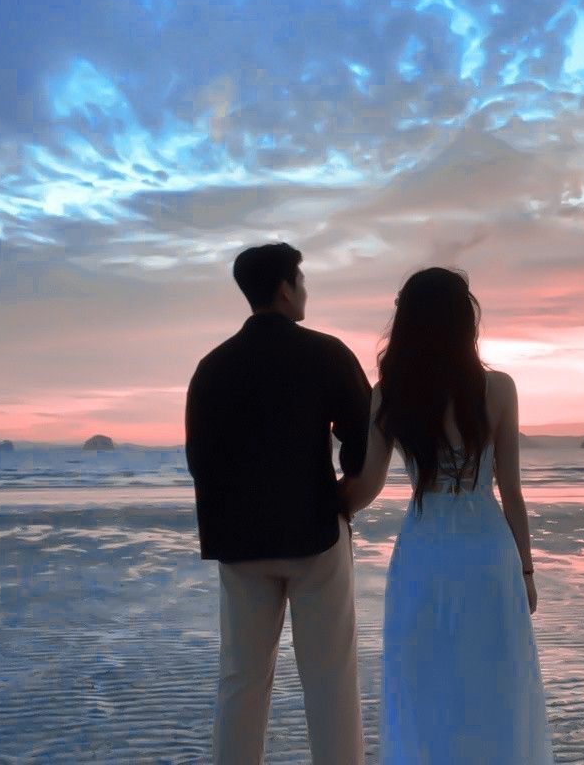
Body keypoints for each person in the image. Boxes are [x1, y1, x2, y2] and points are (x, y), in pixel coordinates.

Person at [337, 267, 554, 764]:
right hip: (487, 554)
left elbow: (366, 487)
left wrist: (314, 508)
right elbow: (512, 491)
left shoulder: (388, 393)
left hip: (423, 553)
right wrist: (526, 570)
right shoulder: (499, 388)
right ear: (465, 321)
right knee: (494, 686)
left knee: (424, 685)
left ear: (405, 322)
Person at [185, 242, 371, 765]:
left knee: (241, 680)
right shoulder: (326, 353)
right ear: (286, 289)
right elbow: (363, 435)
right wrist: (344, 493)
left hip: (240, 545)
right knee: (329, 679)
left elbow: (200, 459)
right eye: (302, 280)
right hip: (314, 535)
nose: (305, 290)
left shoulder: (211, 367)